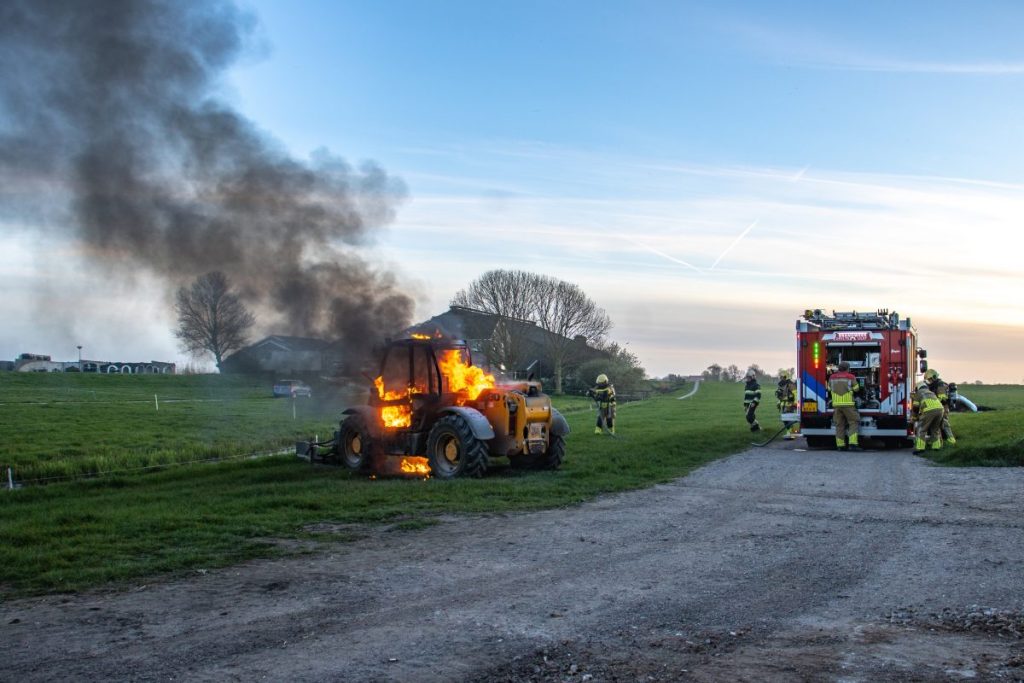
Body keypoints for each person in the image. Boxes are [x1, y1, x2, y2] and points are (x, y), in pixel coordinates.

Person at [828, 360, 862, 451]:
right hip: (848, 404)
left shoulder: (832, 377)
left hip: (836, 405)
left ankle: (840, 446)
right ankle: (853, 444)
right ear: (847, 368)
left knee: (839, 425)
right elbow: (856, 389)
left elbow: (829, 388)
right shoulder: (850, 377)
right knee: (853, 422)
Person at [924, 369, 956, 445]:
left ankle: (951, 440)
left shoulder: (940, 385)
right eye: (928, 380)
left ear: (934, 377)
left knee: (944, 423)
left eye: (930, 379)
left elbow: (942, 398)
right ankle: (937, 442)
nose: (929, 381)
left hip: (943, 407)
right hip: (936, 407)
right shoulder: (932, 385)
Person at [911, 380, 945, 454]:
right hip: (940, 410)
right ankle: (936, 447)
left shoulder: (919, 393)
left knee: (921, 429)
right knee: (935, 429)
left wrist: (914, 418)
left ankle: (920, 448)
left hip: (929, 410)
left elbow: (915, 407)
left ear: (918, 388)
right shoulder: (931, 392)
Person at [775, 370, 800, 440]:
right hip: (783, 404)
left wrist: (795, 403)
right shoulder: (780, 385)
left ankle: (790, 433)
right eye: (780, 377)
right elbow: (781, 396)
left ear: (786, 377)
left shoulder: (790, 384)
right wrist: (779, 403)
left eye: (783, 377)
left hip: (790, 404)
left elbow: (795, 393)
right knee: (785, 419)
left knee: (787, 418)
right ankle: (791, 431)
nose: (781, 378)